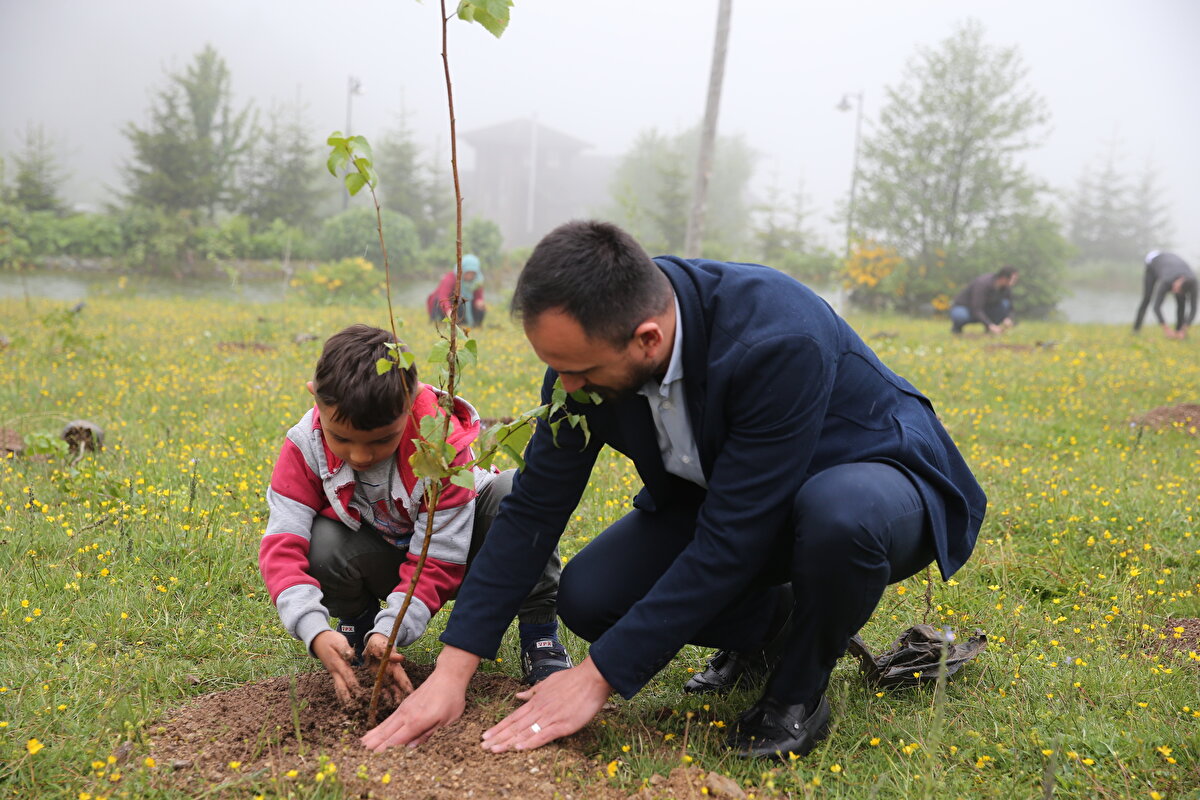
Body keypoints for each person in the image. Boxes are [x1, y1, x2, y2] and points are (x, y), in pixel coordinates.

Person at [362, 221, 987, 760]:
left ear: (648, 340)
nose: (566, 386)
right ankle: (771, 627)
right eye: (557, 368)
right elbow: (532, 512)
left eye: (579, 372)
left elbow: (732, 539)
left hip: (874, 477)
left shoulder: (775, 337)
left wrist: (596, 677)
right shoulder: (588, 357)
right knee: (589, 596)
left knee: (837, 517)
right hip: (736, 498)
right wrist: (453, 669)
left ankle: (797, 689)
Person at [258, 324, 571, 706]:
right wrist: (313, 629)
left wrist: (394, 628)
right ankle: (357, 630)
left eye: (380, 441)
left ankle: (539, 633)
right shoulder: (304, 445)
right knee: (320, 541)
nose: (359, 456)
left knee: (515, 495)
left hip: (468, 549)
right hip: (389, 554)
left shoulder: (440, 447)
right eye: (341, 438)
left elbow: (439, 557)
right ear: (315, 397)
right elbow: (282, 546)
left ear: (409, 404)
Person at [1133, 250, 1196, 339]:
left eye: (1177, 290)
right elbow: (1156, 307)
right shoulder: (1167, 280)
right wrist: (1166, 329)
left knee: (1181, 300)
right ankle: (1136, 329)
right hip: (1154, 263)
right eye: (1176, 288)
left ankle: (1178, 331)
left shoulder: (1193, 282)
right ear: (1179, 281)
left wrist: (1184, 329)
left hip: (1171, 263)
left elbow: (1194, 308)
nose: (1174, 291)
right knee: (1147, 298)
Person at [948, 267, 1019, 334]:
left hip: (984, 309)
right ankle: (957, 327)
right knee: (960, 316)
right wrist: (989, 325)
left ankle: (991, 329)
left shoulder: (1006, 288)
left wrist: (1008, 318)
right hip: (966, 307)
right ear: (1004, 278)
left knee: (1005, 304)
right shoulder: (982, 283)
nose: (1014, 282)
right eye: (1013, 279)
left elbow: (1010, 307)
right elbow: (976, 308)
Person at [427, 253, 488, 327]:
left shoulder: (477, 282)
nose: (470, 276)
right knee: (457, 302)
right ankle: (441, 321)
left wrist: (479, 302)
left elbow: (478, 297)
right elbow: (443, 297)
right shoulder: (451, 278)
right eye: (467, 273)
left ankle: (473, 323)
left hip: (462, 306)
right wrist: (449, 311)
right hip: (446, 306)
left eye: (472, 274)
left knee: (479, 309)